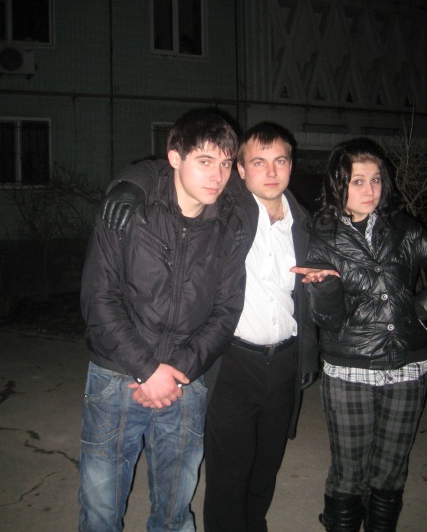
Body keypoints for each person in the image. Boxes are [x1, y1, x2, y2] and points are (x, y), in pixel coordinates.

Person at [102, 122, 319, 532]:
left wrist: (308, 354)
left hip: (285, 363)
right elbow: (176, 167)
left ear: (291, 166)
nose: (271, 172)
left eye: (280, 161)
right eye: (259, 162)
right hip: (234, 361)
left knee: (266, 469)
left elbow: (304, 301)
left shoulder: (305, 224)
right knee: (229, 474)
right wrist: (130, 183)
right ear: (241, 170)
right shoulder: (230, 209)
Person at [78, 108, 251, 532]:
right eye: (205, 161)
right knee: (100, 514)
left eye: (225, 163)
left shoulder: (229, 224)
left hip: (184, 384)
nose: (217, 176)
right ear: (174, 157)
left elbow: (227, 310)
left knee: (174, 514)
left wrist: (178, 371)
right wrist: (147, 370)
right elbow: (98, 299)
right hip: (117, 377)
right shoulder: (127, 210)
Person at [291, 139, 427, 531]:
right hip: (350, 371)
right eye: (358, 181)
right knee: (349, 474)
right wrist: (325, 289)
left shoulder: (406, 229)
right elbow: (330, 321)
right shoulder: (321, 234)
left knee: (391, 473)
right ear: (339, 185)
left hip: (408, 367)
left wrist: (419, 312)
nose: (370, 190)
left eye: (376, 180)